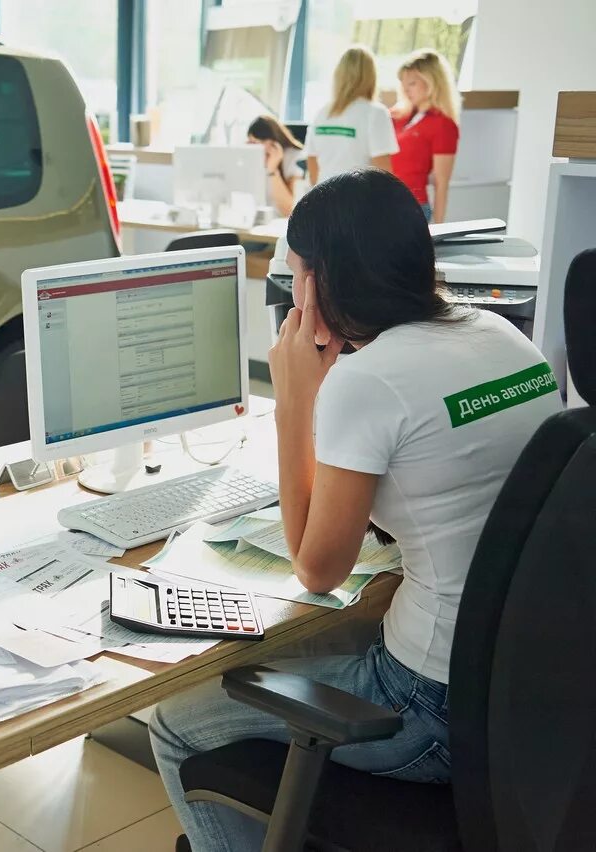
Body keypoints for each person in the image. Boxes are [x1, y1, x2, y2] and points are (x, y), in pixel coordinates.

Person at [148, 169, 562, 851]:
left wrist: (295, 402)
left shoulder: (368, 383)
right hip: (525, 690)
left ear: (318, 283)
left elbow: (317, 569)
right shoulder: (498, 334)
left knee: (174, 722)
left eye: (296, 270)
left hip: (430, 705)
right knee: (293, 652)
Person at [303, 46, 398, 186]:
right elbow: (383, 172)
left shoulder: (322, 113)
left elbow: (311, 159)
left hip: (324, 198)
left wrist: (317, 192)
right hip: (360, 200)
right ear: (371, 75)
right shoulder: (375, 113)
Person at [391, 49, 461, 223]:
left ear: (432, 82)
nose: (406, 89)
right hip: (383, 205)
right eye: (403, 83)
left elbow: (441, 183)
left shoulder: (443, 125)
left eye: (412, 83)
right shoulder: (397, 116)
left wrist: (439, 231)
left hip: (412, 210)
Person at [246, 114, 303, 217]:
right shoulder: (252, 159)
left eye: (257, 142)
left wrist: (273, 170)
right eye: (250, 142)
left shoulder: (295, 158)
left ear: (275, 143)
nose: (253, 148)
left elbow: (290, 210)